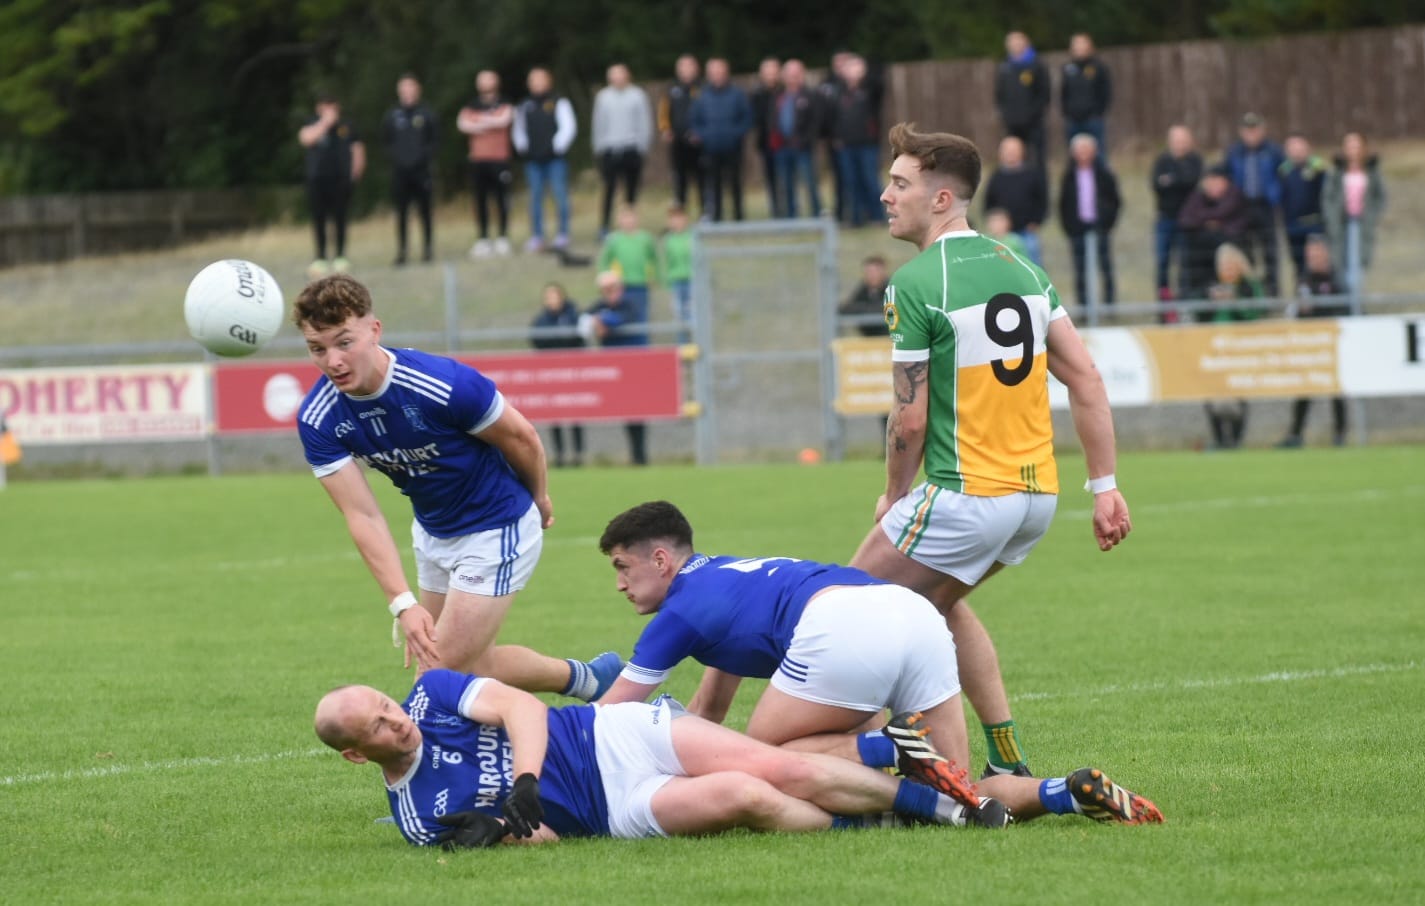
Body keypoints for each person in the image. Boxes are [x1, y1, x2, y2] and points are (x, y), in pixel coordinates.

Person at [849, 123, 1133, 780]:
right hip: (1033, 500)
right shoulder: (1024, 268)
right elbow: (1085, 377)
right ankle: (1004, 753)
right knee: (939, 605)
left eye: (900, 184)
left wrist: (894, 497)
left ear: (941, 199)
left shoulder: (917, 281)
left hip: (966, 492)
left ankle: (866, 771)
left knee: (848, 611)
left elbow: (908, 421)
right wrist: (1104, 486)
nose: (886, 196)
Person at [592, 501, 1162, 826]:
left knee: (765, 763)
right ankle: (1065, 791)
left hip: (843, 625)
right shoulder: (726, 580)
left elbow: (611, 718)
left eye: (622, 567)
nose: (619, 584)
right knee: (956, 788)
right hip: (912, 615)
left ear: (660, 559)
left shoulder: (680, 613)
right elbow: (708, 710)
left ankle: (886, 747)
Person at [292, 274, 620, 698]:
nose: (332, 361)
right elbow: (362, 514)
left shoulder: (441, 383)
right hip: (432, 531)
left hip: (496, 525)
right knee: (474, 663)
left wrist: (538, 497)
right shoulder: (319, 417)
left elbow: (522, 438)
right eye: (317, 349)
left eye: (343, 342)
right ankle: (588, 679)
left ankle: (434, 761)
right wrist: (402, 604)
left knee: (434, 677)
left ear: (374, 330)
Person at [314, 672, 1028, 848]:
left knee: (776, 769)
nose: (395, 719)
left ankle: (949, 808)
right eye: (376, 726)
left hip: (611, 736)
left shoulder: (433, 694)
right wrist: (508, 832)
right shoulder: (419, 817)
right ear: (356, 756)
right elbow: (549, 838)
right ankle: (876, 808)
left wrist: (523, 782)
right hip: (615, 813)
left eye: (385, 702)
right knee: (746, 799)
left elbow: (522, 709)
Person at [1279, 237, 1349, 448]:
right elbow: (1296, 311)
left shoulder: (1338, 280)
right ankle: (1295, 434)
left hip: (1333, 343)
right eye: (1310, 254)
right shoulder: (1304, 280)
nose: (1313, 258)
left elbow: (1346, 308)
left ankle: (1339, 435)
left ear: (1326, 254)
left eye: (1317, 253)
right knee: (1304, 389)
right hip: (1310, 344)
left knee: (1336, 390)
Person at [1202, 244, 1264, 450]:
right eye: (1223, 265)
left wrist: (1235, 302)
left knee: (1239, 394)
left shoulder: (1249, 287)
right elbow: (1199, 312)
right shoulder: (1212, 287)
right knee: (1211, 395)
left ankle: (1236, 441)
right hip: (1215, 349)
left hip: (1241, 350)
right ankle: (1219, 440)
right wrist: (1210, 302)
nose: (1227, 269)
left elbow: (1256, 312)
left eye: (1230, 264)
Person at [584, 271, 650, 465]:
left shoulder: (631, 302)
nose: (608, 293)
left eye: (612, 288)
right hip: (614, 369)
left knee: (637, 412)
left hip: (635, 366)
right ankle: (634, 457)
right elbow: (584, 317)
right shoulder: (601, 306)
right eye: (604, 290)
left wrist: (602, 320)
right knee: (625, 411)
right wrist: (598, 320)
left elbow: (622, 318)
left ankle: (640, 457)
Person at [298, 94, 365, 279]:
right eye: (325, 106)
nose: (329, 110)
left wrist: (355, 174)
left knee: (341, 218)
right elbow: (306, 139)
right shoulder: (312, 123)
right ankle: (320, 257)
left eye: (332, 106)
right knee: (319, 218)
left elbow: (357, 150)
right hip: (317, 180)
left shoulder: (347, 126)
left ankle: (341, 256)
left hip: (340, 179)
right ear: (319, 108)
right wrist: (325, 124)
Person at [513, 67, 577, 252]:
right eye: (533, 80)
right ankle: (537, 236)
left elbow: (568, 127)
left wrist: (557, 146)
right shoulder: (525, 105)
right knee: (535, 198)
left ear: (548, 81)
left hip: (555, 159)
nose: (537, 83)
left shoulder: (559, 102)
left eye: (541, 79)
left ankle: (563, 234)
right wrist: (524, 148)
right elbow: (519, 130)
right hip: (533, 160)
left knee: (560, 195)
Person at [457, 71, 516, 259]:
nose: (485, 83)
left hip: (499, 159)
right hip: (478, 160)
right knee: (480, 200)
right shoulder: (471, 105)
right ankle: (483, 239)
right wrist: (489, 121)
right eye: (481, 80)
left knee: (501, 198)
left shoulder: (504, 102)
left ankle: (502, 237)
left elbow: (504, 119)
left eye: (488, 79)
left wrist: (480, 122)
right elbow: (463, 124)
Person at [1225, 113, 1285, 295]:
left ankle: (1273, 290)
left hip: (1265, 206)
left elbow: (1283, 174)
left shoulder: (1273, 151)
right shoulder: (1234, 152)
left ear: (1262, 130)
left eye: (1255, 130)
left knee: (1270, 251)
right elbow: (1227, 175)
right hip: (1242, 207)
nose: (1251, 134)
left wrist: (1275, 194)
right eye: (1247, 130)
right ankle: (1249, 291)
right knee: (1245, 250)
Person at [1058, 133, 1121, 307]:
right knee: (1080, 270)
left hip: (1100, 227)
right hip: (1077, 229)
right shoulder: (1069, 175)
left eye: (1087, 149)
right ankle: (1083, 305)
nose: (1083, 153)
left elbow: (1115, 200)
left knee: (1105, 266)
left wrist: (1108, 222)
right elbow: (1063, 203)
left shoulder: (1104, 173)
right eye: (1080, 150)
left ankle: (1109, 304)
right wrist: (1069, 227)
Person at [591, 63, 654, 237]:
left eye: (620, 74)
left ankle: (630, 225)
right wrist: (599, 147)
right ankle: (604, 225)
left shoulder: (638, 95)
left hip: (631, 149)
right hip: (610, 150)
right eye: (613, 75)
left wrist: (643, 146)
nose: (617, 78)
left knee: (631, 191)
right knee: (609, 190)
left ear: (627, 76)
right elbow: (598, 124)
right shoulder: (603, 97)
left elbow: (644, 122)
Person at [1321, 132, 1386, 296]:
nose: (1353, 150)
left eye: (1356, 145)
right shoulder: (1336, 171)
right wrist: (1332, 218)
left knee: (1360, 265)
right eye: (1349, 146)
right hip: (1342, 224)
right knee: (1340, 263)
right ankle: (1345, 300)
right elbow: (1327, 197)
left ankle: (1357, 301)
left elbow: (1381, 196)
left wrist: (1373, 215)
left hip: (1363, 224)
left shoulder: (1372, 171)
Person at [382, 74, 437, 266]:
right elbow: (387, 142)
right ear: (399, 91)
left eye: (410, 87)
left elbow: (434, 141)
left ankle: (428, 249)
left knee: (425, 211)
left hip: (422, 171)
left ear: (417, 89)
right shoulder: (392, 116)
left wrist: (422, 159)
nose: (407, 91)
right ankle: (402, 251)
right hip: (400, 172)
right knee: (402, 213)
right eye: (403, 88)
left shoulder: (426, 114)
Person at [689, 58, 752, 222]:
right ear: (708, 74)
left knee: (735, 184)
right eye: (713, 72)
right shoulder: (701, 96)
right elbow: (694, 121)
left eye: (720, 71)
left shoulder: (737, 94)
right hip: (710, 149)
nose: (717, 75)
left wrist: (735, 134)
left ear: (726, 73)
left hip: (733, 148)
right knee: (713, 185)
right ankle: (716, 217)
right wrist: (704, 135)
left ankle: (739, 217)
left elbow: (746, 119)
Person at [530, 282, 586, 467]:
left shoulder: (573, 316)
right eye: (548, 297)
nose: (551, 300)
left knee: (576, 413)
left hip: (573, 373)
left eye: (554, 296)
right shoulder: (541, 319)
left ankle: (578, 454)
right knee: (555, 415)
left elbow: (579, 339)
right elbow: (536, 339)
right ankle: (559, 454)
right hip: (551, 374)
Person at [1177, 165, 1250, 304]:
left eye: (1215, 181)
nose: (1211, 185)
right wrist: (1208, 222)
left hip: (1229, 248)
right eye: (1209, 181)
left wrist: (1201, 219)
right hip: (1201, 255)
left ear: (1225, 181)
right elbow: (1185, 219)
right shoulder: (1198, 196)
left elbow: (1225, 212)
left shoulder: (1234, 194)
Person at [1150, 125, 1203, 312]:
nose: (1179, 144)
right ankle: (1163, 305)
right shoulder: (1162, 161)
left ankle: (1184, 302)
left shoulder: (1195, 161)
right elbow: (1157, 185)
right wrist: (1178, 181)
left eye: (1183, 140)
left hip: (1188, 222)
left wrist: (1172, 180)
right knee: (1163, 262)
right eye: (1176, 140)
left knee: (1186, 262)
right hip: (1165, 219)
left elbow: (1192, 182)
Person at [829, 55, 884, 227]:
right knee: (851, 182)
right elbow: (833, 117)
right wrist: (836, 137)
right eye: (849, 68)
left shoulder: (870, 89)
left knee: (870, 179)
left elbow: (880, 83)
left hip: (867, 143)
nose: (852, 72)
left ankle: (877, 216)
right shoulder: (838, 91)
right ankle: (856, 218)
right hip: (845, 145)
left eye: (857, 68)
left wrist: (863, 76)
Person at [768, 59, 822, 220]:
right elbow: (772, 119)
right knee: (786, 184)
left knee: (810, 183)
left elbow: (816, 122)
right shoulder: (778, 96)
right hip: (782, 148)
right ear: (783, 76)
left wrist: (805, 140)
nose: (792, 77)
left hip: (802, 147)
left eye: (796, 74)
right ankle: (791, 217)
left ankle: (816, 215)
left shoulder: (810, 95)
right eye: (789, 74)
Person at [981, 136, 1047, 265]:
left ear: (1022, 152)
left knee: (1032, 264)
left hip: (1026, 232)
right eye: (1007, 150)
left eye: (1014, 150)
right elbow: (989, 204)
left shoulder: (1032, 175)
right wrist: (994, 223)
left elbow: (1042, 200)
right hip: (1002, 235)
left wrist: (1036, 221)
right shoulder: (996, 177)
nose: (1010, 153)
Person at [994, 32, 1050, 171]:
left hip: (1033, 122)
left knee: (1037, 159)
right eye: (1011, 43)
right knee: (1014, 157)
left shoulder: (1036, 65)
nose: (1015, 45)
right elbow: (1000, 94)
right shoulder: (1005, 66)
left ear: (1026, 43)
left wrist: (1033, 113)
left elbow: (1044, 93)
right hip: (1013, 122)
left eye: (1018, 42)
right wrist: (1006, 114)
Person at [597, 205, 660, 323]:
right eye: (625, 218)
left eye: (631, 217)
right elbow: (604, 262)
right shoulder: (614, 240)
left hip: (641, 284)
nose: (628, 221)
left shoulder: (645, 238)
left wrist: (654, 276)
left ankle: (642, 341)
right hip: (621, 286)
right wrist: (607, 279)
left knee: (641, 316)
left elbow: (654, 259)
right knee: (624, 317)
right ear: (619, 220)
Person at [1277, 134, 1327, 282]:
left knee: (1317, 262)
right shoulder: (1283, 171)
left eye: (1299, 146)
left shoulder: (1318, 168)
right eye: (1292, 147)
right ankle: (1301, 295)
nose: (1296, 150)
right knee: (1298, 265)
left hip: (1315, 225)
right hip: (1293, 226)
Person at [658, 55, 703, 214]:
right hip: (678, 142)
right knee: (679, 179)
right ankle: (680, 213)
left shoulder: (702, 88)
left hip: (699, 142)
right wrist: (665, 130)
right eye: (682, 67)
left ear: (696, 68)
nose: (686, 70)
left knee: (702, 178)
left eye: (689, 66)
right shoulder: (671, 89)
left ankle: (705, 212)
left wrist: (702, 132)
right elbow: (664, 113)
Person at [1059, 33, 1112, 154]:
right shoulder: (1068, 68)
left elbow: (1106, 93)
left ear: (1089, 46)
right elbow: (1063, 92)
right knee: (1074, 154)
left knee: (1098, 154)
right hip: (1073, 119)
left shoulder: (1099, 67)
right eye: (1076, 44)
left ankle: (1099, 173)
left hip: (1093, 119)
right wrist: (1067, 112)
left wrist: (1098, 112)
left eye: (1082, 44)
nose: (1079, 47)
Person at [750, 57, 782, 217]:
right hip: (767, 144)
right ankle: (775, 209)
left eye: (773, 71)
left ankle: (790, 209)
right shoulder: (757, 95)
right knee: (771, 178)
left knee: (787, 177)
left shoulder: (785, 92)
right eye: (767, 72)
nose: (770, 75)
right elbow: (754, 119)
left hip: (786, 144)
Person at [660, 206, 694, 340]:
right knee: (679, 318)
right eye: (673, 219)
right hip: (676, 282)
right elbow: (667, 263)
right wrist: (667, 283)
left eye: (679, 218)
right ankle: (683, 348)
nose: (677, 222)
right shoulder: (668, 240)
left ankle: (697, 346)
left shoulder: (693, 237)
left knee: (693, 315)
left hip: (692, 281)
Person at [837, 255, 891, 337]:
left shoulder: (891, 288)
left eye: (875, 271)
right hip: (868, 340)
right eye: (869, 272)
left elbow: (889, 308)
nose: (872, 275)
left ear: (883, 272)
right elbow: (846, 308)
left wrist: (864, 309)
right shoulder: (863, 289)